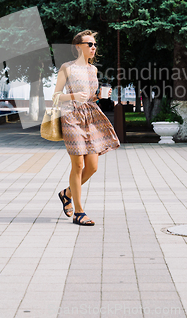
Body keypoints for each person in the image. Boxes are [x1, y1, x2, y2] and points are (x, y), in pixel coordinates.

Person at [54, 30, 120, 226]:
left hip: (90, 117)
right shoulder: (67, 68)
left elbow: (90, 97)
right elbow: (56, 96)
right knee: (79, 165)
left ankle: (66, 193)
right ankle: (79, 212)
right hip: (71, 116)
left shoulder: (93, 70)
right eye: (89, 44)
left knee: (92, 166)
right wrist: (73, 96)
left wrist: (100, 96)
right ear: (78, 47)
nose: (93, 48)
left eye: (94, 44)